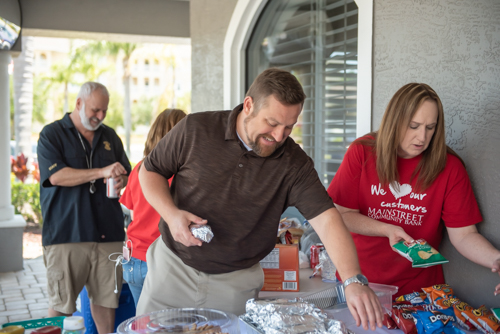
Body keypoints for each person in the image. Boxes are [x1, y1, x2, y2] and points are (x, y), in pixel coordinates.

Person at [137, 68, 384, 331]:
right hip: (173, 270)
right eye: (273, 123)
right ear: (249, 105)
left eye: (289, 126)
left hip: (236, 283)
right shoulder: (195, 129)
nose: (279, 136)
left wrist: (353, 281)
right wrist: (172, 215)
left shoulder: (294, 162)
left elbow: (327, 219)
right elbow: (150, 171)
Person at [327, 83, 500, 297]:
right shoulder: (362, 152)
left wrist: (496, 259)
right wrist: (386, 229)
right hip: (360, 284)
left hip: (420, 292)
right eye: (414, 126)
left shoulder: (450, 167)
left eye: (430, 127)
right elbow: (341, 215)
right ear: (395, 121)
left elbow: (464, 235)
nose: (422, 138)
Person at [37, 82, 131, 334]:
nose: (99, 117)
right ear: (78, 104)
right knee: (61, 306)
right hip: (67, 235)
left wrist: (121, 179)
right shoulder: (52, 134)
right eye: (95, 110)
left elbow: (126, 173)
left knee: (106, 303)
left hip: (108, 235)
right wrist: (101, 171)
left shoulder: (110, 136)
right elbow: (57, 177)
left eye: (104, 111)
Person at [119, 108, 187, 306]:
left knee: (142, 322)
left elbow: (132, 213)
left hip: (133, 259)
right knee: (168, 323)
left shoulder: (139, 168)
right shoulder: (181, 175)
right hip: (161, 261)